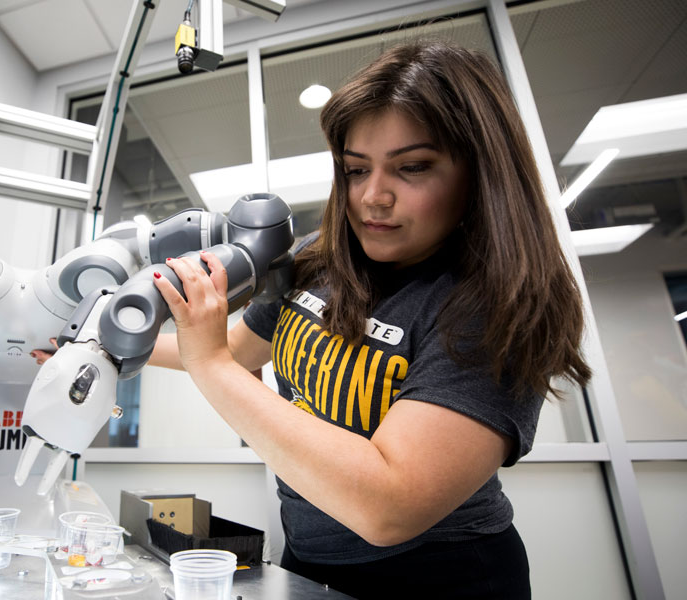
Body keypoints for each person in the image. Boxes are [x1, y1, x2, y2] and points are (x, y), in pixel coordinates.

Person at [35, 40, 591, 599]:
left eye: (413, 167)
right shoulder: (323, 256)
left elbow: (388, 506)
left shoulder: (492, 303)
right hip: (309, 557)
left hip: (441, 576)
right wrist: (92, 344)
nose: (373, 196)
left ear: (480, 173)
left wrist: (210, 364)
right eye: (355, 169)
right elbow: (234, 347)